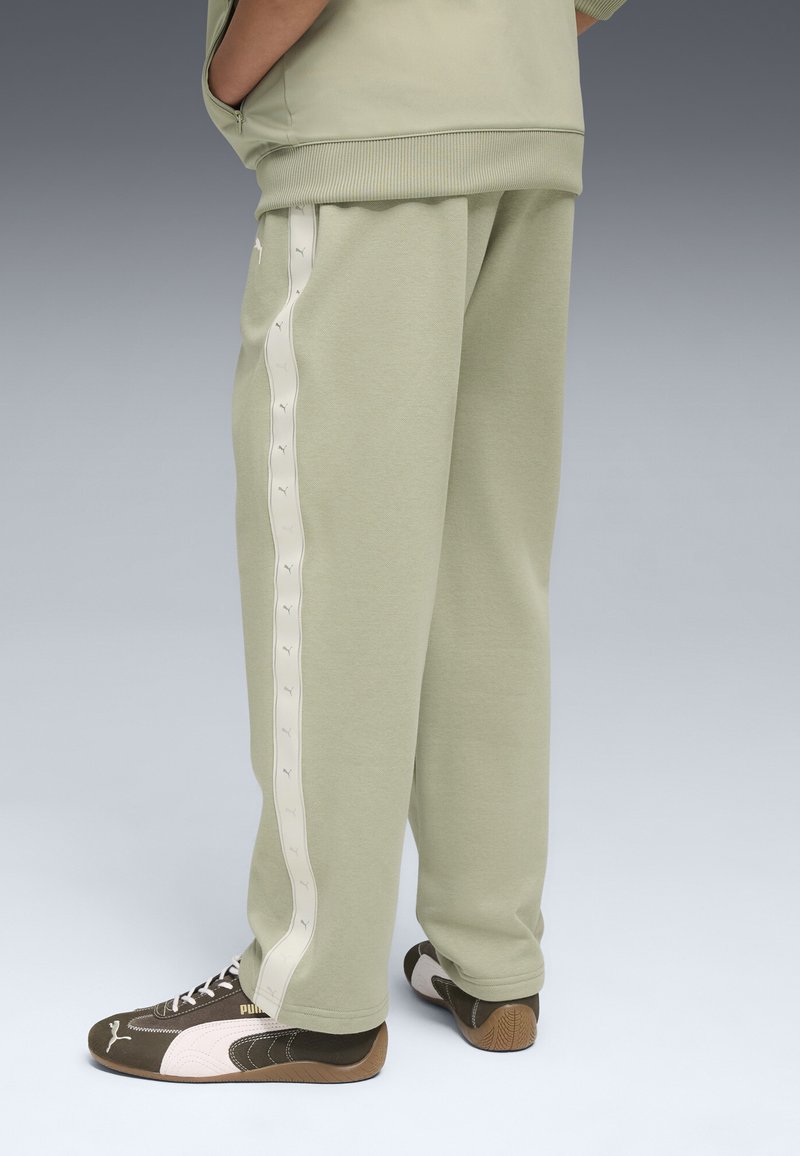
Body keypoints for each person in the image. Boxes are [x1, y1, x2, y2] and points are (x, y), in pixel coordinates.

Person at [88, 0, 628, 1083]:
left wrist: (231, 77)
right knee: (487, 567)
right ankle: (492, 963)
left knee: (328, 566)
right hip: (528, 124)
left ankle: (310, 994)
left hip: (367, 132)